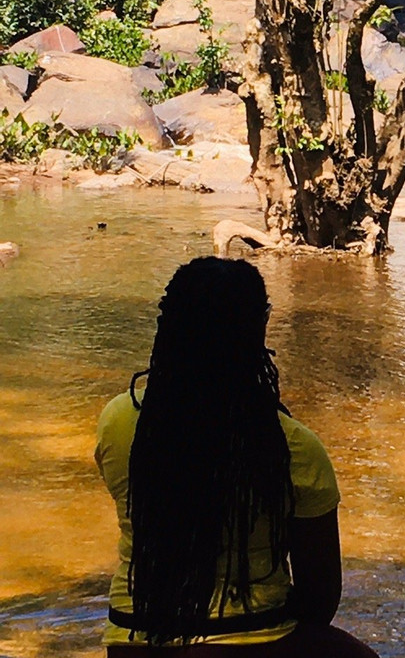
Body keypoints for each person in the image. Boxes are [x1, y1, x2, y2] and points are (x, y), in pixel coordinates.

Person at [95, 256, 379, 657]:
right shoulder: (292, 447)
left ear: (167, 326)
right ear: (260, 328)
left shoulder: (118, 421)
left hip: (134, 638)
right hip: (252, 638)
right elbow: (320, 601)